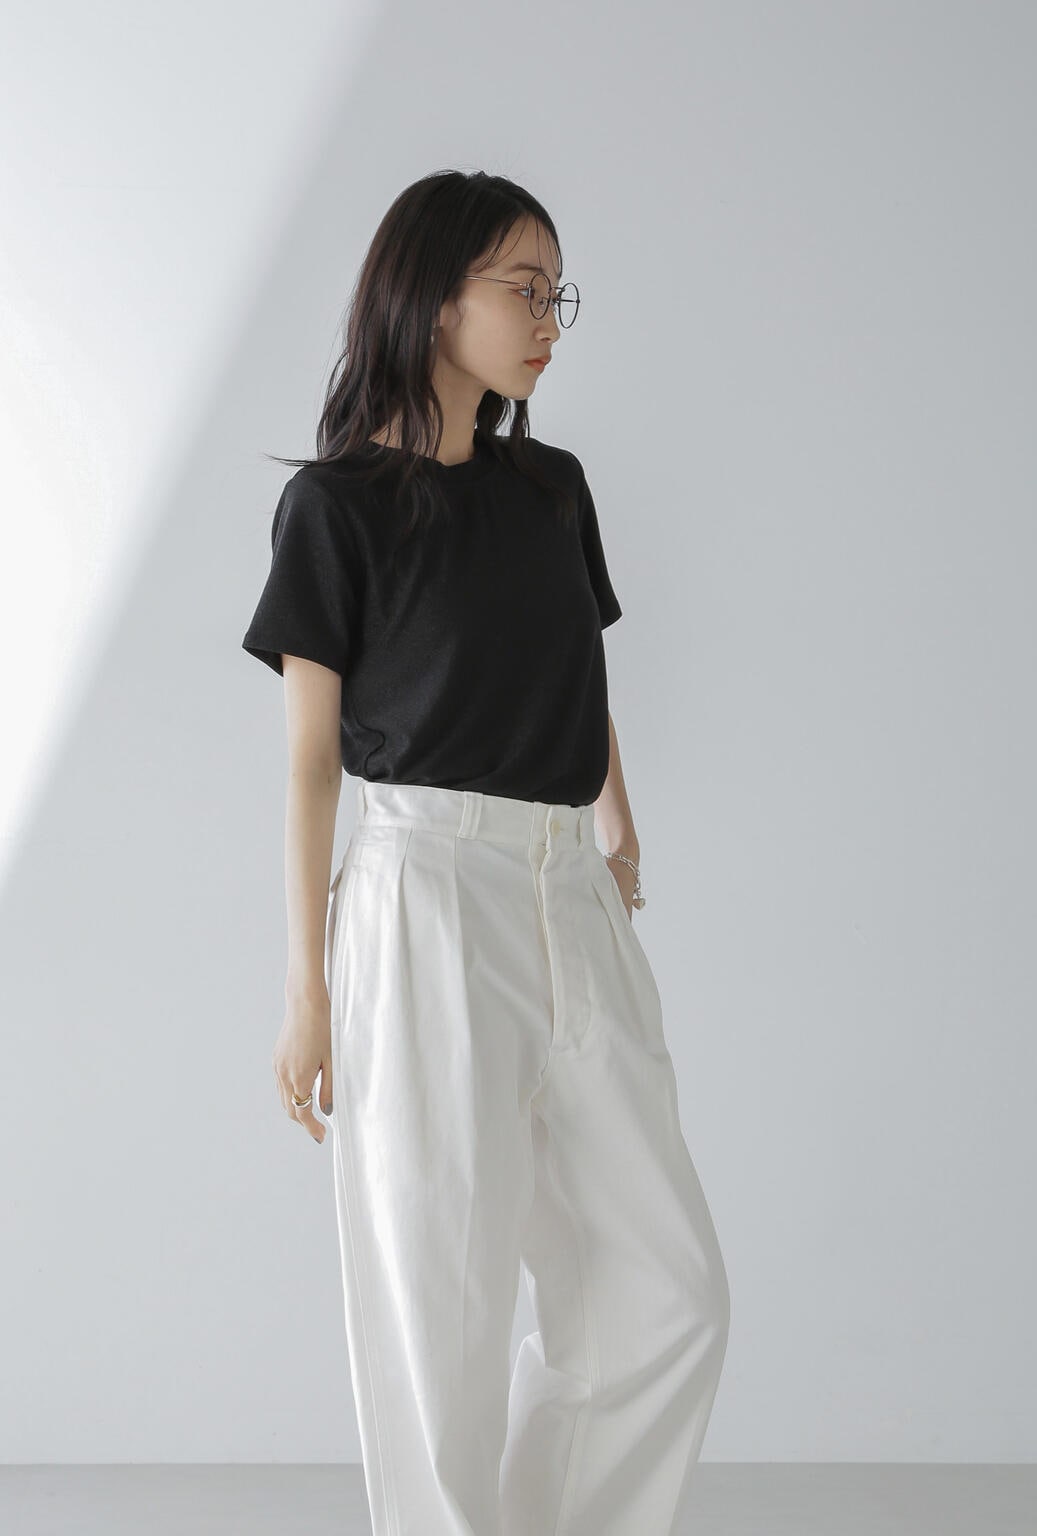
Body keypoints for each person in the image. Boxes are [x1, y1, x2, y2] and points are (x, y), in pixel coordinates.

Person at [241, 169, 730, 1536]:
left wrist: (619, 824)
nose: (548, 321)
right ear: (431, 296)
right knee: (438, 1297)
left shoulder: (553, 488)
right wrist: (306, 990)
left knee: (666, 1292)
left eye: (558, 294)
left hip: (568, 889)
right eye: (524, 289)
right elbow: (308, 761)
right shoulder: (338, 508)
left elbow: (576, 665)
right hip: (424, 889)